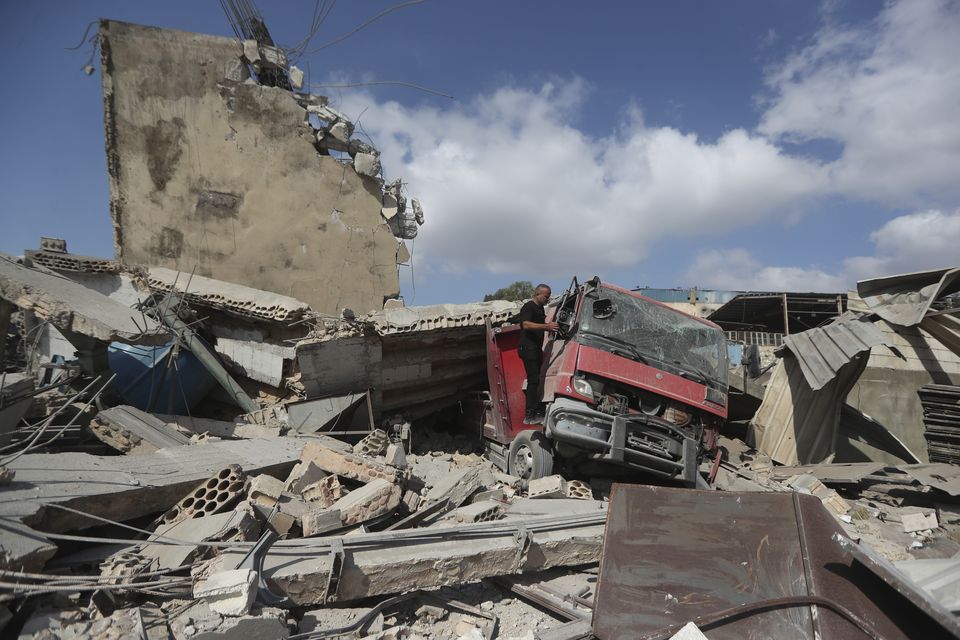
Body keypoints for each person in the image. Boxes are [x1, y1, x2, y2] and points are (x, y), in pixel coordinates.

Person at [518, 284, 559, 424]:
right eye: (546, 296)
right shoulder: (528, 307)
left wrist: (550, 328)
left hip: (536, 349)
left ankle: (538, 410)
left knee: (537, 380)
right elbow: (526, 325)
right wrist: (547, 326)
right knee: (533, 380)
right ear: (538, 294)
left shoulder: (540, 308)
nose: (548, 299)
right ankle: (529, 415)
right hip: (528, 348)